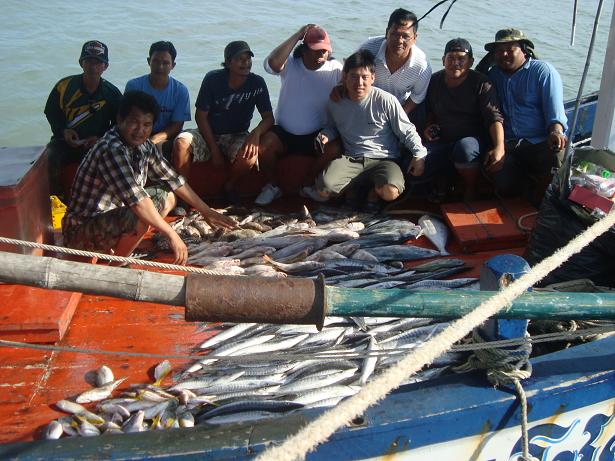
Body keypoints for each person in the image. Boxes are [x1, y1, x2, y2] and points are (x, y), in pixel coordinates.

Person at [62, 91, 236, 265]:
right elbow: (137, 201)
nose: (140, 130)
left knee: (167, 194)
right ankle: (114, 266)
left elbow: (174, 180)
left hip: (110, 219)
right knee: (140, 217)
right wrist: (171, 233)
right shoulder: (112, 149)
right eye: (134, 123)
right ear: (120, 119)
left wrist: (206, 211)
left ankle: (120, 249)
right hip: (81, 232)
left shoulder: (144, 146)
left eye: (147, 124)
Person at [306, 50, 427, 212]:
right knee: (323, 189)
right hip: (351, 159)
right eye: (354, 76)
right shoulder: (335, 102)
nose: (359, 83)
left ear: (373, 78)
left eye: (364, 77)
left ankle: (372, 193)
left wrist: (419, 154)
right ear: (344, 77)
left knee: (391, 191)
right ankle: (354, 188)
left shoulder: (386, 100)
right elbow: (334, 127)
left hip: (385, 158)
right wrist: (326, 135)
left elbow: (406, 130)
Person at [172, 41, 273, 203]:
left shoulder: (257, 83)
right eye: (240, 59)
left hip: (237, 134)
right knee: (181, 143)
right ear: (228, 62)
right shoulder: (213, 79)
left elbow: (268, 117)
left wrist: (255, 133)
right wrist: (214, 149)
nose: (245, 63)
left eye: (248, 59)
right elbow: (201, 117)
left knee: (250, 156)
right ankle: (183, 196)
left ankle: (229, 186)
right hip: (208, 133)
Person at [256, 24, 343, 206]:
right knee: (265, 145)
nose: (321, 56)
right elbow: (272, 64)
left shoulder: (335, 69)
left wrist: (341, 92)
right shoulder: (290, 64)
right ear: (303, 50)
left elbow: (354, 88)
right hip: (285, 134)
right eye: (316, 51)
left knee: (335, 149)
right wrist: (297, 34)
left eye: (325, 52)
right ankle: (273, 186)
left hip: (317, 135)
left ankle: (309, 184)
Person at [484, 28, 568, 203]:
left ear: (523, 49)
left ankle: (541, 199)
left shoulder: (543, 72)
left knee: (557, 154)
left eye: (510, 49)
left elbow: (555, 112)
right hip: (510, 144)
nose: (504, 54)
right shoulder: (493, 75)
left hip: (540, 142)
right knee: (503, 182)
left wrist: (556, 132)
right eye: (499, 50)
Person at [423, 38, 505, 201]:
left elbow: (494, 117)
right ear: (443, 60)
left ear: (471, 62)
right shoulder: (434, 81)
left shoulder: (482, 83)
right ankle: (442, 181)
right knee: (416, 162)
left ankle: (471, 187)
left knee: (464, 149)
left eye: (461, 58)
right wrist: (428, 126)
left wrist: (499, 147)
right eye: (451, 58)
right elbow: (430, 110)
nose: (455, 63)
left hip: (472, 141)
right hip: (443, 138)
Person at [44, 40, 122, 197]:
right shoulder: (64, 86)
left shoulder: (112, 93)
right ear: (81, 63)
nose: (93, 66)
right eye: (88, 61)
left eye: (98, 62)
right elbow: (51, 112)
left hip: (98, 144)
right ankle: (57, 199)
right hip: (64, 142)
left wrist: (100, 138)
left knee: (111, 162)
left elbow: (119, 125)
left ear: (105, 66)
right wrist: (63, 131)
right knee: (48, 157)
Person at [358, 8, 431, 125]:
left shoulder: (422, 66)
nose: (399, 41)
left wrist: (398, 116)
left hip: (397, 107)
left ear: (415, 38)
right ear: (387, 32)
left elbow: (417, 96)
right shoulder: (369, 48)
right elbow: (351, 72)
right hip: (364, 102)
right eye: (395, 34)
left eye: (405, 36)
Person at [125, 41, 191, 158]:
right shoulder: (133, 86)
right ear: (148, 61)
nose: (160, 67)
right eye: (156, 61)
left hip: (164, 136)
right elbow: (127, 118)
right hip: (137, 132)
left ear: (173, 65)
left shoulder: (180, 91)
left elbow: (177, 125)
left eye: (165, 63)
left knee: (165, 148)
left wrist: (153, 140)